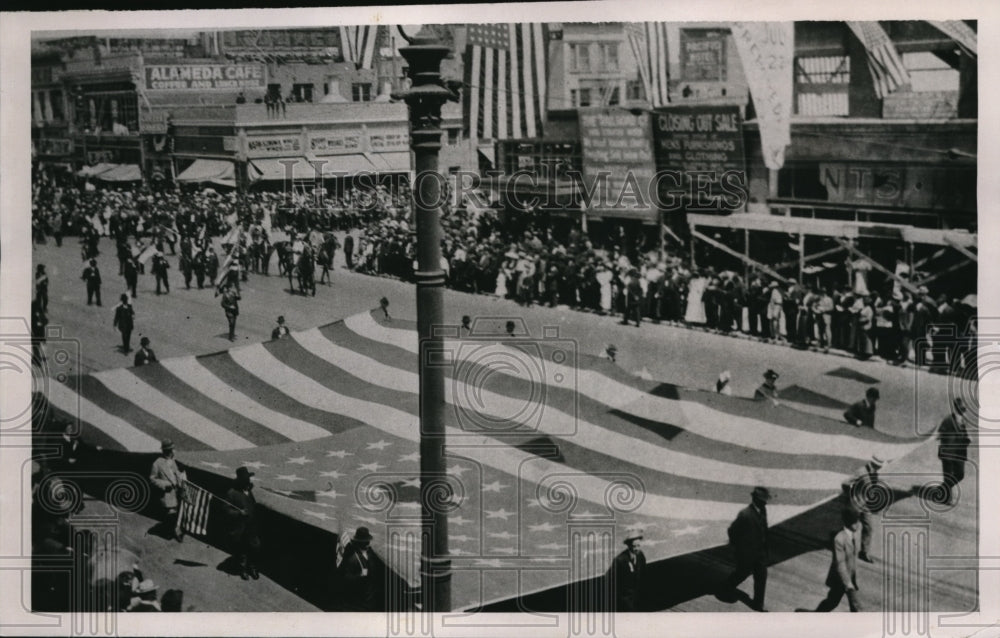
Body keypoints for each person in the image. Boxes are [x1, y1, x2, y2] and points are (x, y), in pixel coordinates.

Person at [721, 486, 771, 612]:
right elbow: (732, 531)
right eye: (762, 500)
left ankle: (758, 605)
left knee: (761, 576)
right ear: (755, 499)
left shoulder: (763, 510)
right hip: (746, 554)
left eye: (765, 500)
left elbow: (764, 529)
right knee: (741, 574)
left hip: (759, 553)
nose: (765, 502)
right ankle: (725, 587)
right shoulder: (745, 514)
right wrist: (740, 548)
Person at [815, 508, 863, 612]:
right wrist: (848, 584)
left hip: (852, 575)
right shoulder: (839, 539)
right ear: (847, 523)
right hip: (841, 578)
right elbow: (840, 563)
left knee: (832, 602)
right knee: (852, 607)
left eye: (857, 521)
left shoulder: (858, 529)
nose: (857, 524)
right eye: (853, 522)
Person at [841, 454, 885, 563]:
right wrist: (852, 496)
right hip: (855, 504)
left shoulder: (874, 473)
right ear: (874, 463)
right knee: (851, 528)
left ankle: (864, 552)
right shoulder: (861, 471)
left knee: (869, 528)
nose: (880, 467)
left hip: (866, 506)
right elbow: (845, 483)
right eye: (879, 465)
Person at [225, 466, 260, 580]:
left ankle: (252, 567)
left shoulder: (249, 491)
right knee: (242, 550)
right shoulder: (232, 493)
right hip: (240, 527)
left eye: (248, 479)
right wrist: (238, 513)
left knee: (255, 547)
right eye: (246, 480)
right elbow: (226, 510)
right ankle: (243, 569)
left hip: (251, 526)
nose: (248, 482)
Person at [149, 439, 187, 542]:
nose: (174, 451)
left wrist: (180, 474)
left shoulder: (173, 461)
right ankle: (170, 532)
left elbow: (175, 473)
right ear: (168, 451)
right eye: (172, 449)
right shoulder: (157, 463)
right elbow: (153, 479)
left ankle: (173, 531)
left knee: (176, 514)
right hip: (167, 494)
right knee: (171, 515)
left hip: (177, 492)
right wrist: (166, 485)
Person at [937, 398, 971, 506]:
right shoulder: (948, 419)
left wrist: (967, 438)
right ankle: (946, 498)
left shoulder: (963, 421)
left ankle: (943, 488)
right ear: (957, 408)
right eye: (961, 409)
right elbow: (940, 433)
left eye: (964, 409)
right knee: (948, 476)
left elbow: (965, 436)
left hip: (959, 452)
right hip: (948, 451)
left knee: (960, 474)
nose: (963, 411)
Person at [338, 527, 376, 610]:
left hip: (370, 596)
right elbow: (347, 578)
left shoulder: (370, 553)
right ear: (360, 543)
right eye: (366, 541)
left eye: (368, 540)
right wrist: (360, 575)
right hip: (361, 599)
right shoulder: (354, 559)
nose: (368, 543)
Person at [609, 527, 646, 611]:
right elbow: (613, 582)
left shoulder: (640, 556)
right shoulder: (620, 560)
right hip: (625, 600)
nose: (636, 548)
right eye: (634, 546)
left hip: (637, 597)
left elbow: (643, 574)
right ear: (629, 546)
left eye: (638, 545)